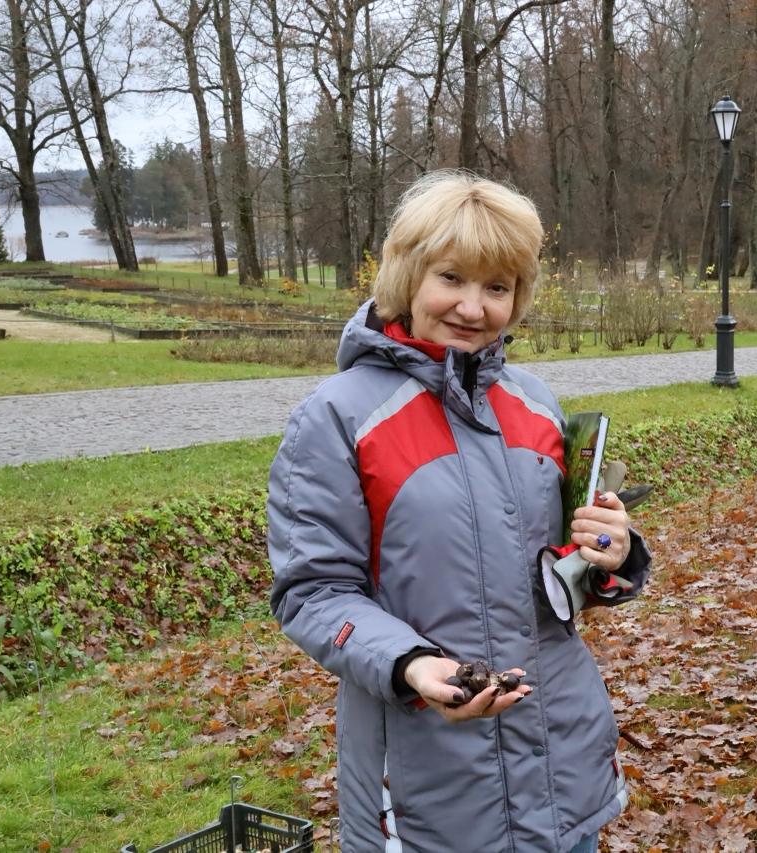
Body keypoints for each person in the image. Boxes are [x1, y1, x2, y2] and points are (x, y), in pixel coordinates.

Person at [268, 170, 652, 852]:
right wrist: (411, 664)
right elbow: (313, 591)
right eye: (452, 277)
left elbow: (561, 569)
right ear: (408, 275)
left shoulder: (536, 405)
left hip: (560, 762)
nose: (473, 307)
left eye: (496, 287)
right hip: (429, 780)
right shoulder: (337, 417)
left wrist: (613, 555)